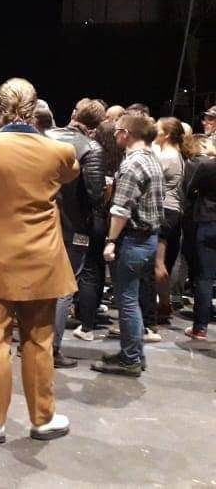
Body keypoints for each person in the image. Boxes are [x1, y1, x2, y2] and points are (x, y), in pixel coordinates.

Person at [0, 77, 78, 444]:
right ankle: (43, 418)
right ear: (35, 108)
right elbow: (71, 174)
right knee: (39, 340)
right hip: (43, 258)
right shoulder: (59, 151)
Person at [90, 114, 164, 377]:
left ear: (126, 134)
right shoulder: (152, 160)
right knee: (133, 300)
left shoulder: (132, 164)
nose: (115, 135)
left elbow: (121, 209)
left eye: (117, 131)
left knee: (128, 302)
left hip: (132, 240)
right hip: (148, 239)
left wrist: (111, 241)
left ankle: (130, 359)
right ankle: (133, 353)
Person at [44, 99, 107, 365]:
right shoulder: (91, 148)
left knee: (37, 284)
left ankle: (29, 343)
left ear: (74, 114)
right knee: (63, 288)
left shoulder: (45, 137)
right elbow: (95, 194)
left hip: (37, 220)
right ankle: (50, 349)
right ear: (97, 126)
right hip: (73, 227)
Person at [152, 117, 188, 329]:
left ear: (166, 135)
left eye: (157, 129)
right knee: (164, 261)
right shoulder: (177, 155)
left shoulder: (167, 157)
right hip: (173, 212)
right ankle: (163, 304)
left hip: (165, 212)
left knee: (158, 263)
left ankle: (159, 307)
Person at [183, 132, 216, 340]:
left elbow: (189, 190)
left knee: (204, 276)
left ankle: (200, 328)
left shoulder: (206, 166)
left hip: (208, 221)